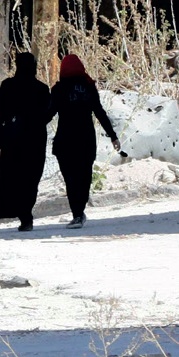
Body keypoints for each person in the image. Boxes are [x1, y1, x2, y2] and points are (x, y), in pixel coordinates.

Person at [50, 54, 121, 229]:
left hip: (65, 140)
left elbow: (48, 113)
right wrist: (113, 136)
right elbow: (100, 112)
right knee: (84, 176)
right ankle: (79, 212)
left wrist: (30, 130)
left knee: (70, 178)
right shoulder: (89, 88)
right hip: (85, 140)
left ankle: (77, 213)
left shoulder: (59, 89)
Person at [0, 51, 52, 232]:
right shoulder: (41, 88)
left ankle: (23, 214)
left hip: (12, 139)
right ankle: (26, 212)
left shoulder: (8, 85)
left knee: (14, 177)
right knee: (31, 177)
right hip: (35, 140)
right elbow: (47, 114)